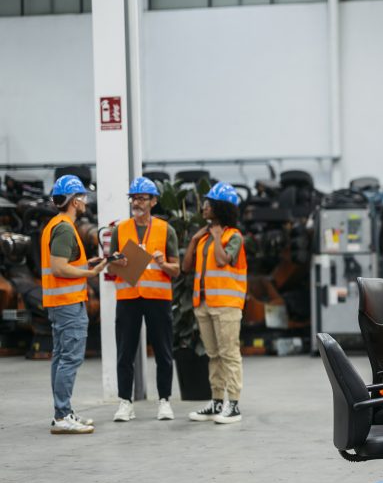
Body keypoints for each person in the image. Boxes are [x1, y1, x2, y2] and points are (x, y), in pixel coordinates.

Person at [108, 176, 180, 422]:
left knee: (163, 351)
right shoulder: (120, 229)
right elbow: (112, 265)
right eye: (134, 198)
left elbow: (177, 269)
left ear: (154, 201)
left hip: (158, 297)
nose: (136, 202)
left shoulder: (165, 229)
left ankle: (164, 401)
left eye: (141, 198)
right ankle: (125, 402)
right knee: (124, 352)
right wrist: (118, 262)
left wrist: (164, 263)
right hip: (128, 296)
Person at [42, 174, 108, 434]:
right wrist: (90, 274)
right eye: (81, 196)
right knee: (69, 358)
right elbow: (59, 268)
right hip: (67, 303)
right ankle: (61, 416)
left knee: (61, 358)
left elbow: (64, 264)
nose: (84, 201)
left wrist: (88, 264)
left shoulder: (56, 225)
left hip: (61, 302)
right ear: (73, 200)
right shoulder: (64, 228)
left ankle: (63, 411)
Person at [181, 182, 247, 425]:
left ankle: (234, 405)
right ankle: (217, 401)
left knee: (229, 354)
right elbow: (186, 267)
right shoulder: (203, 237)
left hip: (227, 304)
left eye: (208, 204)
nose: (204, 207)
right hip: (204, 304)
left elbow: (222, 261)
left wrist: (217, 237)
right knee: (213, 355)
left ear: (220, 207)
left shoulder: (233, 236)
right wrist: (194, 240)